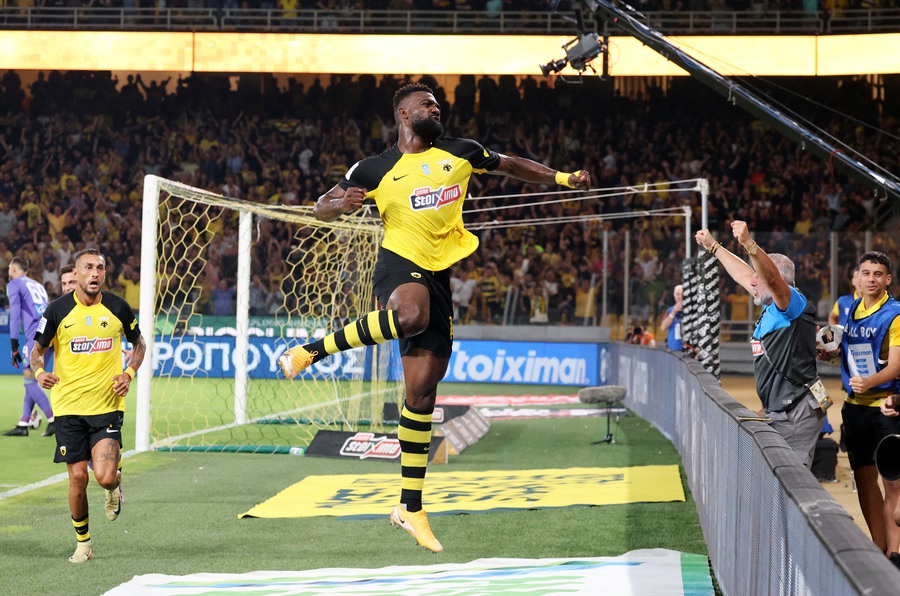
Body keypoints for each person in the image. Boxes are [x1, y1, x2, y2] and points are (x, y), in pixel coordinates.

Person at [278, 82, 591, 552]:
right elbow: (322, 206)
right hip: (399, 264)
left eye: (437, 104)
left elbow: (511, 165)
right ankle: (310, 351)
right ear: (405, 114)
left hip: (439, 275)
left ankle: (410, 508)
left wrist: (563, 178)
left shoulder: (461, 152)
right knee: (409, 314)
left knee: (422, 393)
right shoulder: (374, 167)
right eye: (427, 104)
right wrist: (338, 205)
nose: (436, 108)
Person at [30, 248, 146, 563]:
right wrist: (40, 373)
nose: (95, 273)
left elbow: (139, 344)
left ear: (105, 273)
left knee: (105, 477)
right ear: (76, 273)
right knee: (78, 478)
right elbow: (37, 351)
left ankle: (113, 487)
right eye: (88, 268)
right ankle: (83, 544)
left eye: (100, 268)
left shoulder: (118, 307)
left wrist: (129, 373)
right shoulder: (57, 311)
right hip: (68, 408)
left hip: (106, 405)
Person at [695, 221, 826, 467]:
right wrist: (714, 247)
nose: (752, 282)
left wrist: (748, 243)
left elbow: (772, 279)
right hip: (783, 409)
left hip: (795, 411)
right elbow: (743, 274)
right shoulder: (771, 306)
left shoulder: (791, 302)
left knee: (791, 479)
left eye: (759, 277)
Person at [838, 251, 900, 557]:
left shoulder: (895, 314)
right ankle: (878, 546)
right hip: (855, 407)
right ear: (857, 278)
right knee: (863, 478)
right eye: (866, 273)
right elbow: (853, 351)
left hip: (885, 409)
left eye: (878, 274)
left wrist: (870, 382)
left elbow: (896, 366)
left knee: (893, 485)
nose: (871, 279)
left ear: (888, 279)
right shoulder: (852, 308)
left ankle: (894, 554)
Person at [3, 256, 55, 437]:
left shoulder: (14, 284)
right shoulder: (37, 285)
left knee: (29, 380)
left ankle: (53, 419)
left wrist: (14, 345)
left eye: (9, 268)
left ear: (14, 269)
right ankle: (23, 423)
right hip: (50, 332)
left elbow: (15, 315)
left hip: (35, 335)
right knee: (31, 379)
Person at [660, 284, 684, 351]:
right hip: (673, 349)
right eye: (678, 294)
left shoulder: (691, 310)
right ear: (674, 296)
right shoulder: (670, 310)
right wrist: (674, 312)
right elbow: (663, 327)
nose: (680, 297)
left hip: (687, 349)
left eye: (682, 294)